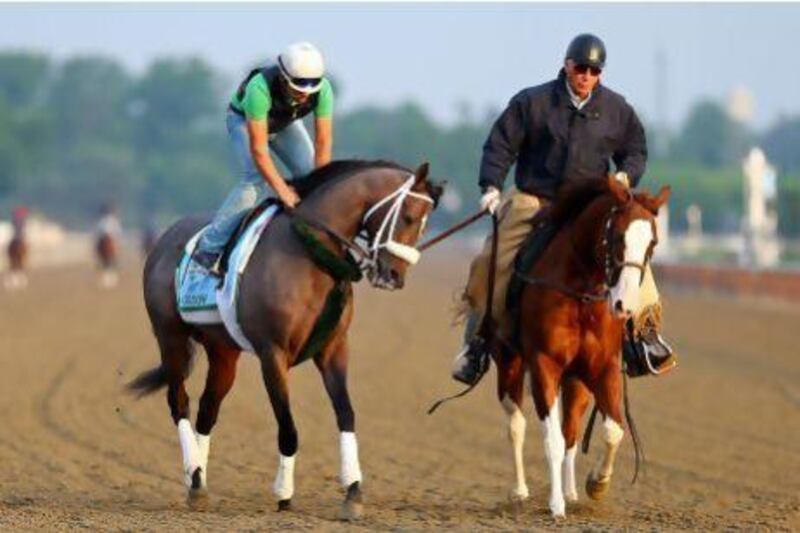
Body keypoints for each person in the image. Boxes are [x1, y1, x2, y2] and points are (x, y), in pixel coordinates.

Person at [451, 33, 674, 385]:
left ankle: (644, 336)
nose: (586, 75)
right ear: (567, 65)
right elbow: (500, 145)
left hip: (590, 205)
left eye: (594, 70)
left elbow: (636, 150)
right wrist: (491, 186)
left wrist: (625, 174)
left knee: (632, 254)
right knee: (489, 261)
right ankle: (476, 344)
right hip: (534, 199)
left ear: (600, 73)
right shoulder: (532, 102)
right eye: (580, 67)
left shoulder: (617, 109)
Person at [192, 41, 334, 274]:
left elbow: (323, 142)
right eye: (298, 87)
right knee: (255, 179)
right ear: (283, 76)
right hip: (243, 121)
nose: (304, 94)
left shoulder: (325, 90)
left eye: (311, 89)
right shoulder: (259, 88)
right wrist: (283, 191)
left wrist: (321, 185)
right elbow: (259, 151)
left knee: (312, 175)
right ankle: (208, 249)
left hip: (284, 123)